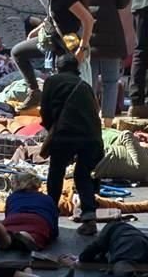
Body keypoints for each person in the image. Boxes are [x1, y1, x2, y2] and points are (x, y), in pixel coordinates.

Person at [67, 0, 131, 126]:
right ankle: (108, 122)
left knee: (88, 81)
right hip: (111, 31)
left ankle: (90, 121)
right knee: (111, 80)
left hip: (85, 35)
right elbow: (123, 1)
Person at [12, 0, 95, 109]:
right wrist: (36, 30)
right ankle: (34, 91)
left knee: (67, 88)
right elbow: (52, 17)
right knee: (17, 52)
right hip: (51, 40)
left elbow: (88, 20)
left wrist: (82, 48)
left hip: (66, 46)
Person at [41, 54, 103, 235]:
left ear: (57, 68)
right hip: (91, 137)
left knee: (56, 173)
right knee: (82, 175)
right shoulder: (84, 85)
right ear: (77, 69)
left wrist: (51, 129)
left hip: (65, 135)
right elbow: (95, 112)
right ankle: (89, 217)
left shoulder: (52, 81)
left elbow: (45, 111)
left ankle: (50, 216)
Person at [0, 172, 59, 252]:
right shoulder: (47, 198)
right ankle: (26, 236)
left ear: (20, 185)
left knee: (6, 239)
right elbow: (54, 222)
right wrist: (53, 234)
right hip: (38, 221)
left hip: (14, 219)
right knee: (36, 237)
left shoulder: (12, 197)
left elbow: (8, 215)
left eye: (13, 184)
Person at [77, 221, 148, 276]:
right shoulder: (122, 230)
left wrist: (80, 259)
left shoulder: (110, 228)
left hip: (128, 247)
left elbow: (93, 248)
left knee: (122, 268)